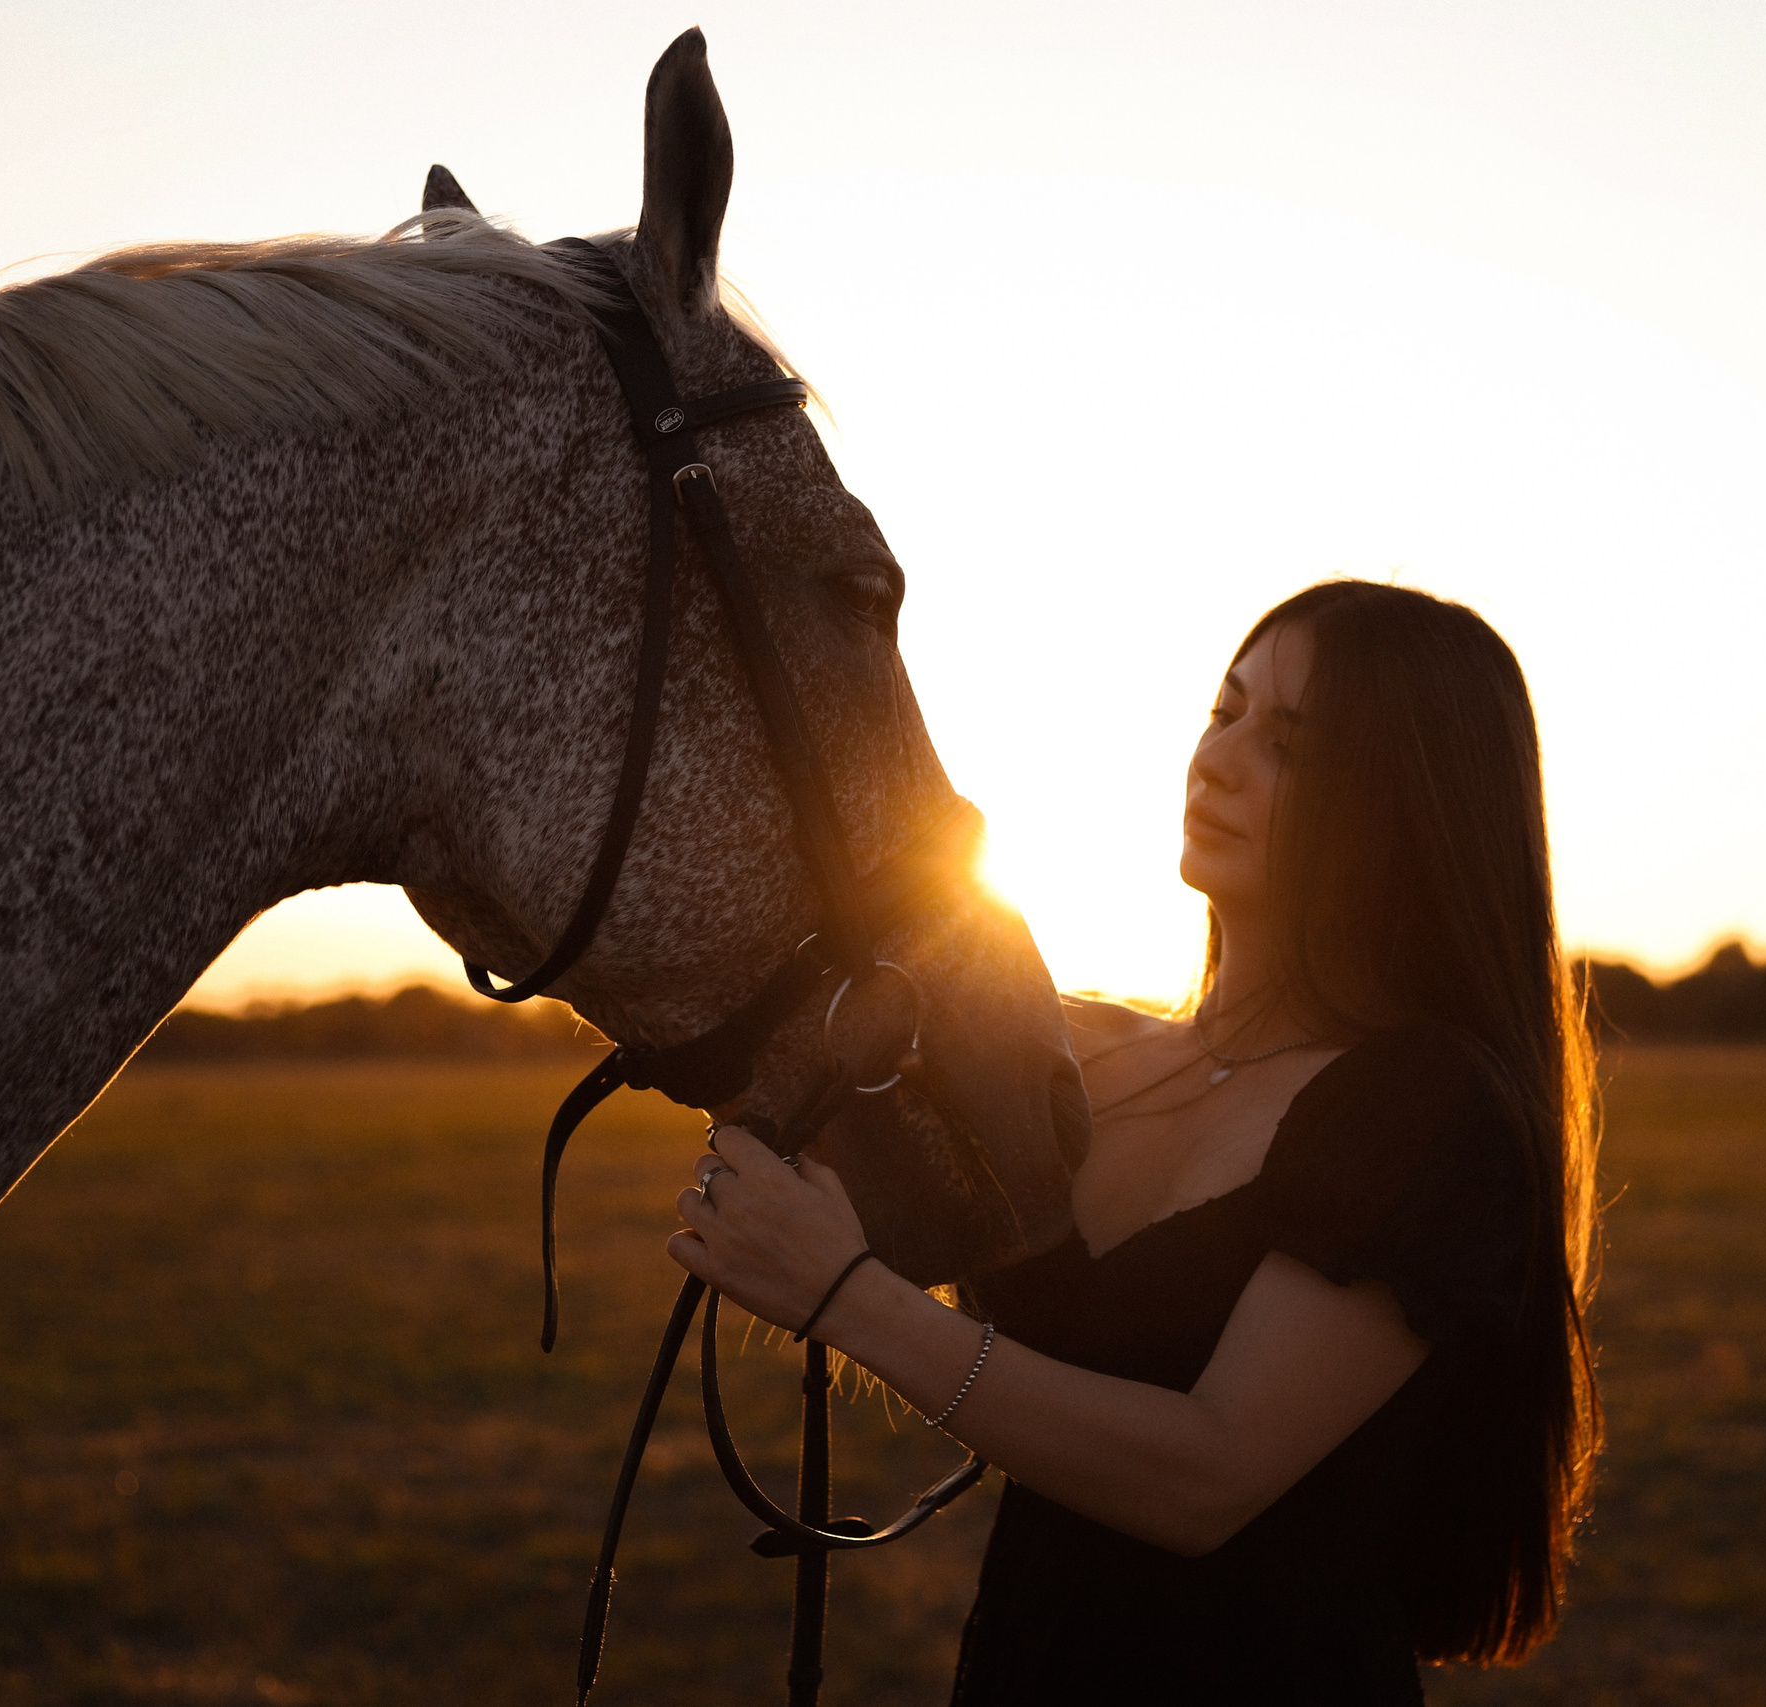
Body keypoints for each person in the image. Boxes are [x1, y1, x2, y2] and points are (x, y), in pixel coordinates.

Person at [670, 580, 1601, 1703]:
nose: (1218, 760)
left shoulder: (1427, 1108)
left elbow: (1205, 1476)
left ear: (1407, 803)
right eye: (1225, 712)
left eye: (1292, 745)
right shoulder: (1069, 1056)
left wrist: (847, 1300)